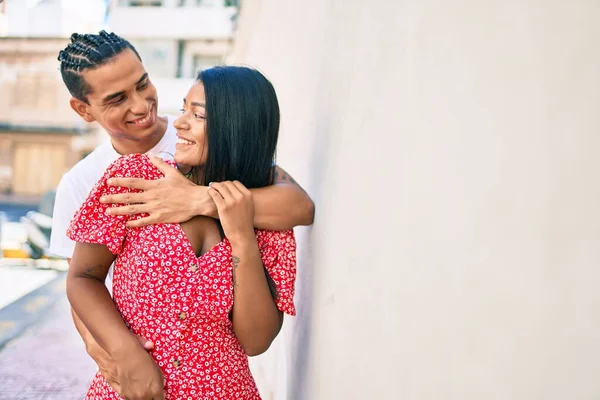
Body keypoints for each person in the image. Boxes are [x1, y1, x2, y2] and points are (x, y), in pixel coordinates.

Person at [50, 31, 313, 394]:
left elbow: (301, 205)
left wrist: (212, 209)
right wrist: (120, 357)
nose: (144, 107)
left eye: (143, 84)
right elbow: (81, 280)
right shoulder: (104, 179)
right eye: (117, 98)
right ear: (84, 109)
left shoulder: (255, 200)